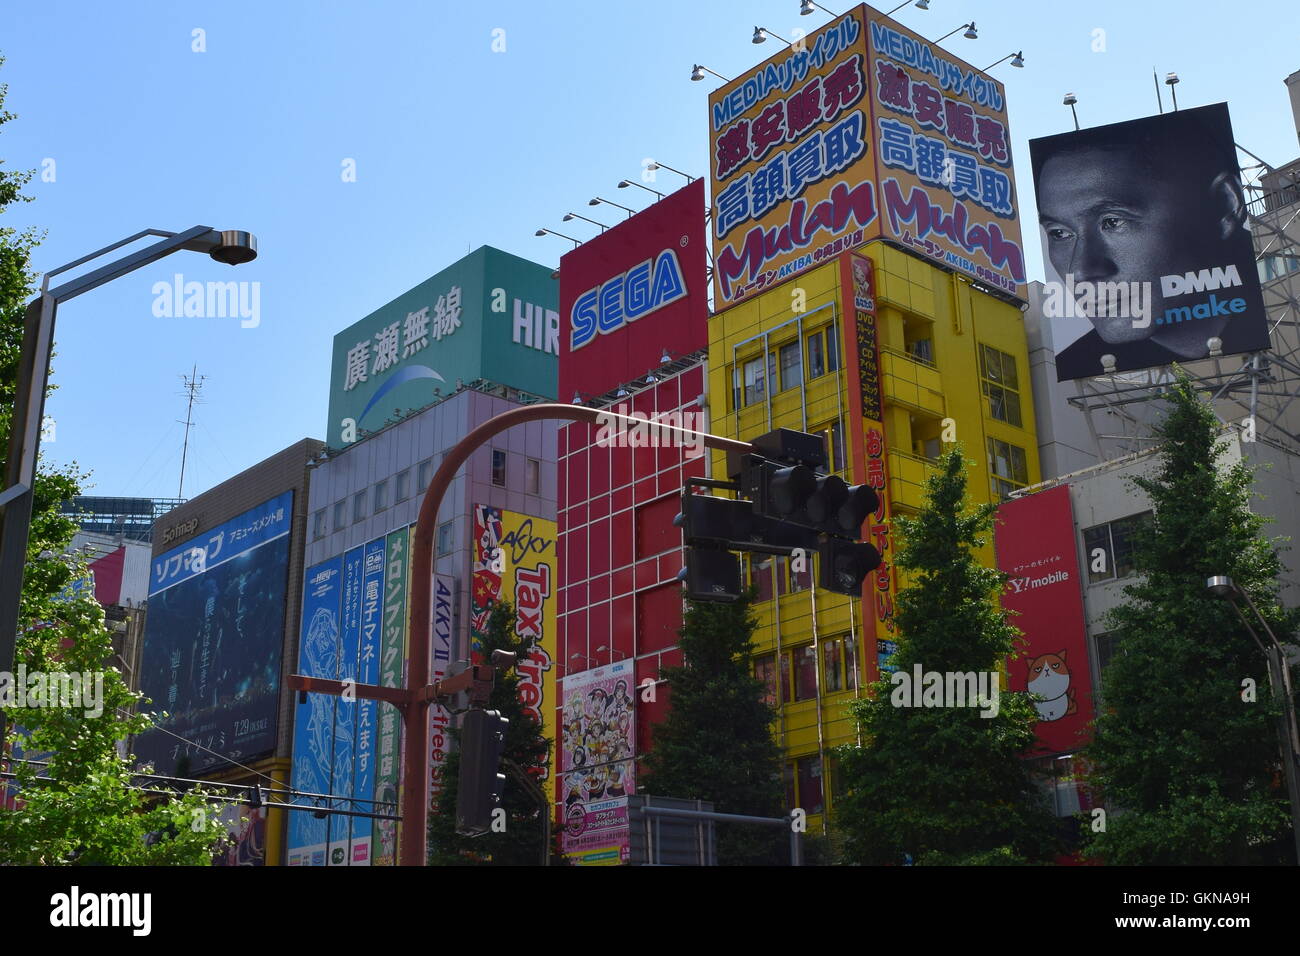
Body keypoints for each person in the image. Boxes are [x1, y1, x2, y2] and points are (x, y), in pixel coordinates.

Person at [1030, 103, 1268, 380]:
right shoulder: (1075, 361)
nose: (1080, 270)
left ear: (1225, 205)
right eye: (1059, 233)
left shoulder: (1270, 308)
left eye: (1113, 222)